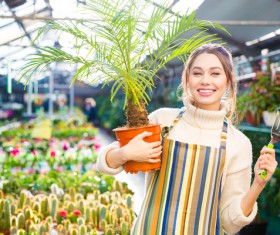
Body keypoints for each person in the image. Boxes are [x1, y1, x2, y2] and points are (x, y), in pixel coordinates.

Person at [96, 44, 278, 235]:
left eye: (215, 73)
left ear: (229, 80)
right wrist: (124, 153)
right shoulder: (163, 120)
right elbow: (104, 163)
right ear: (187, 79)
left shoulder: (238, 143)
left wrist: (258, 184)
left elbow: (230, 223)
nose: (205, 81)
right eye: (197, 73)